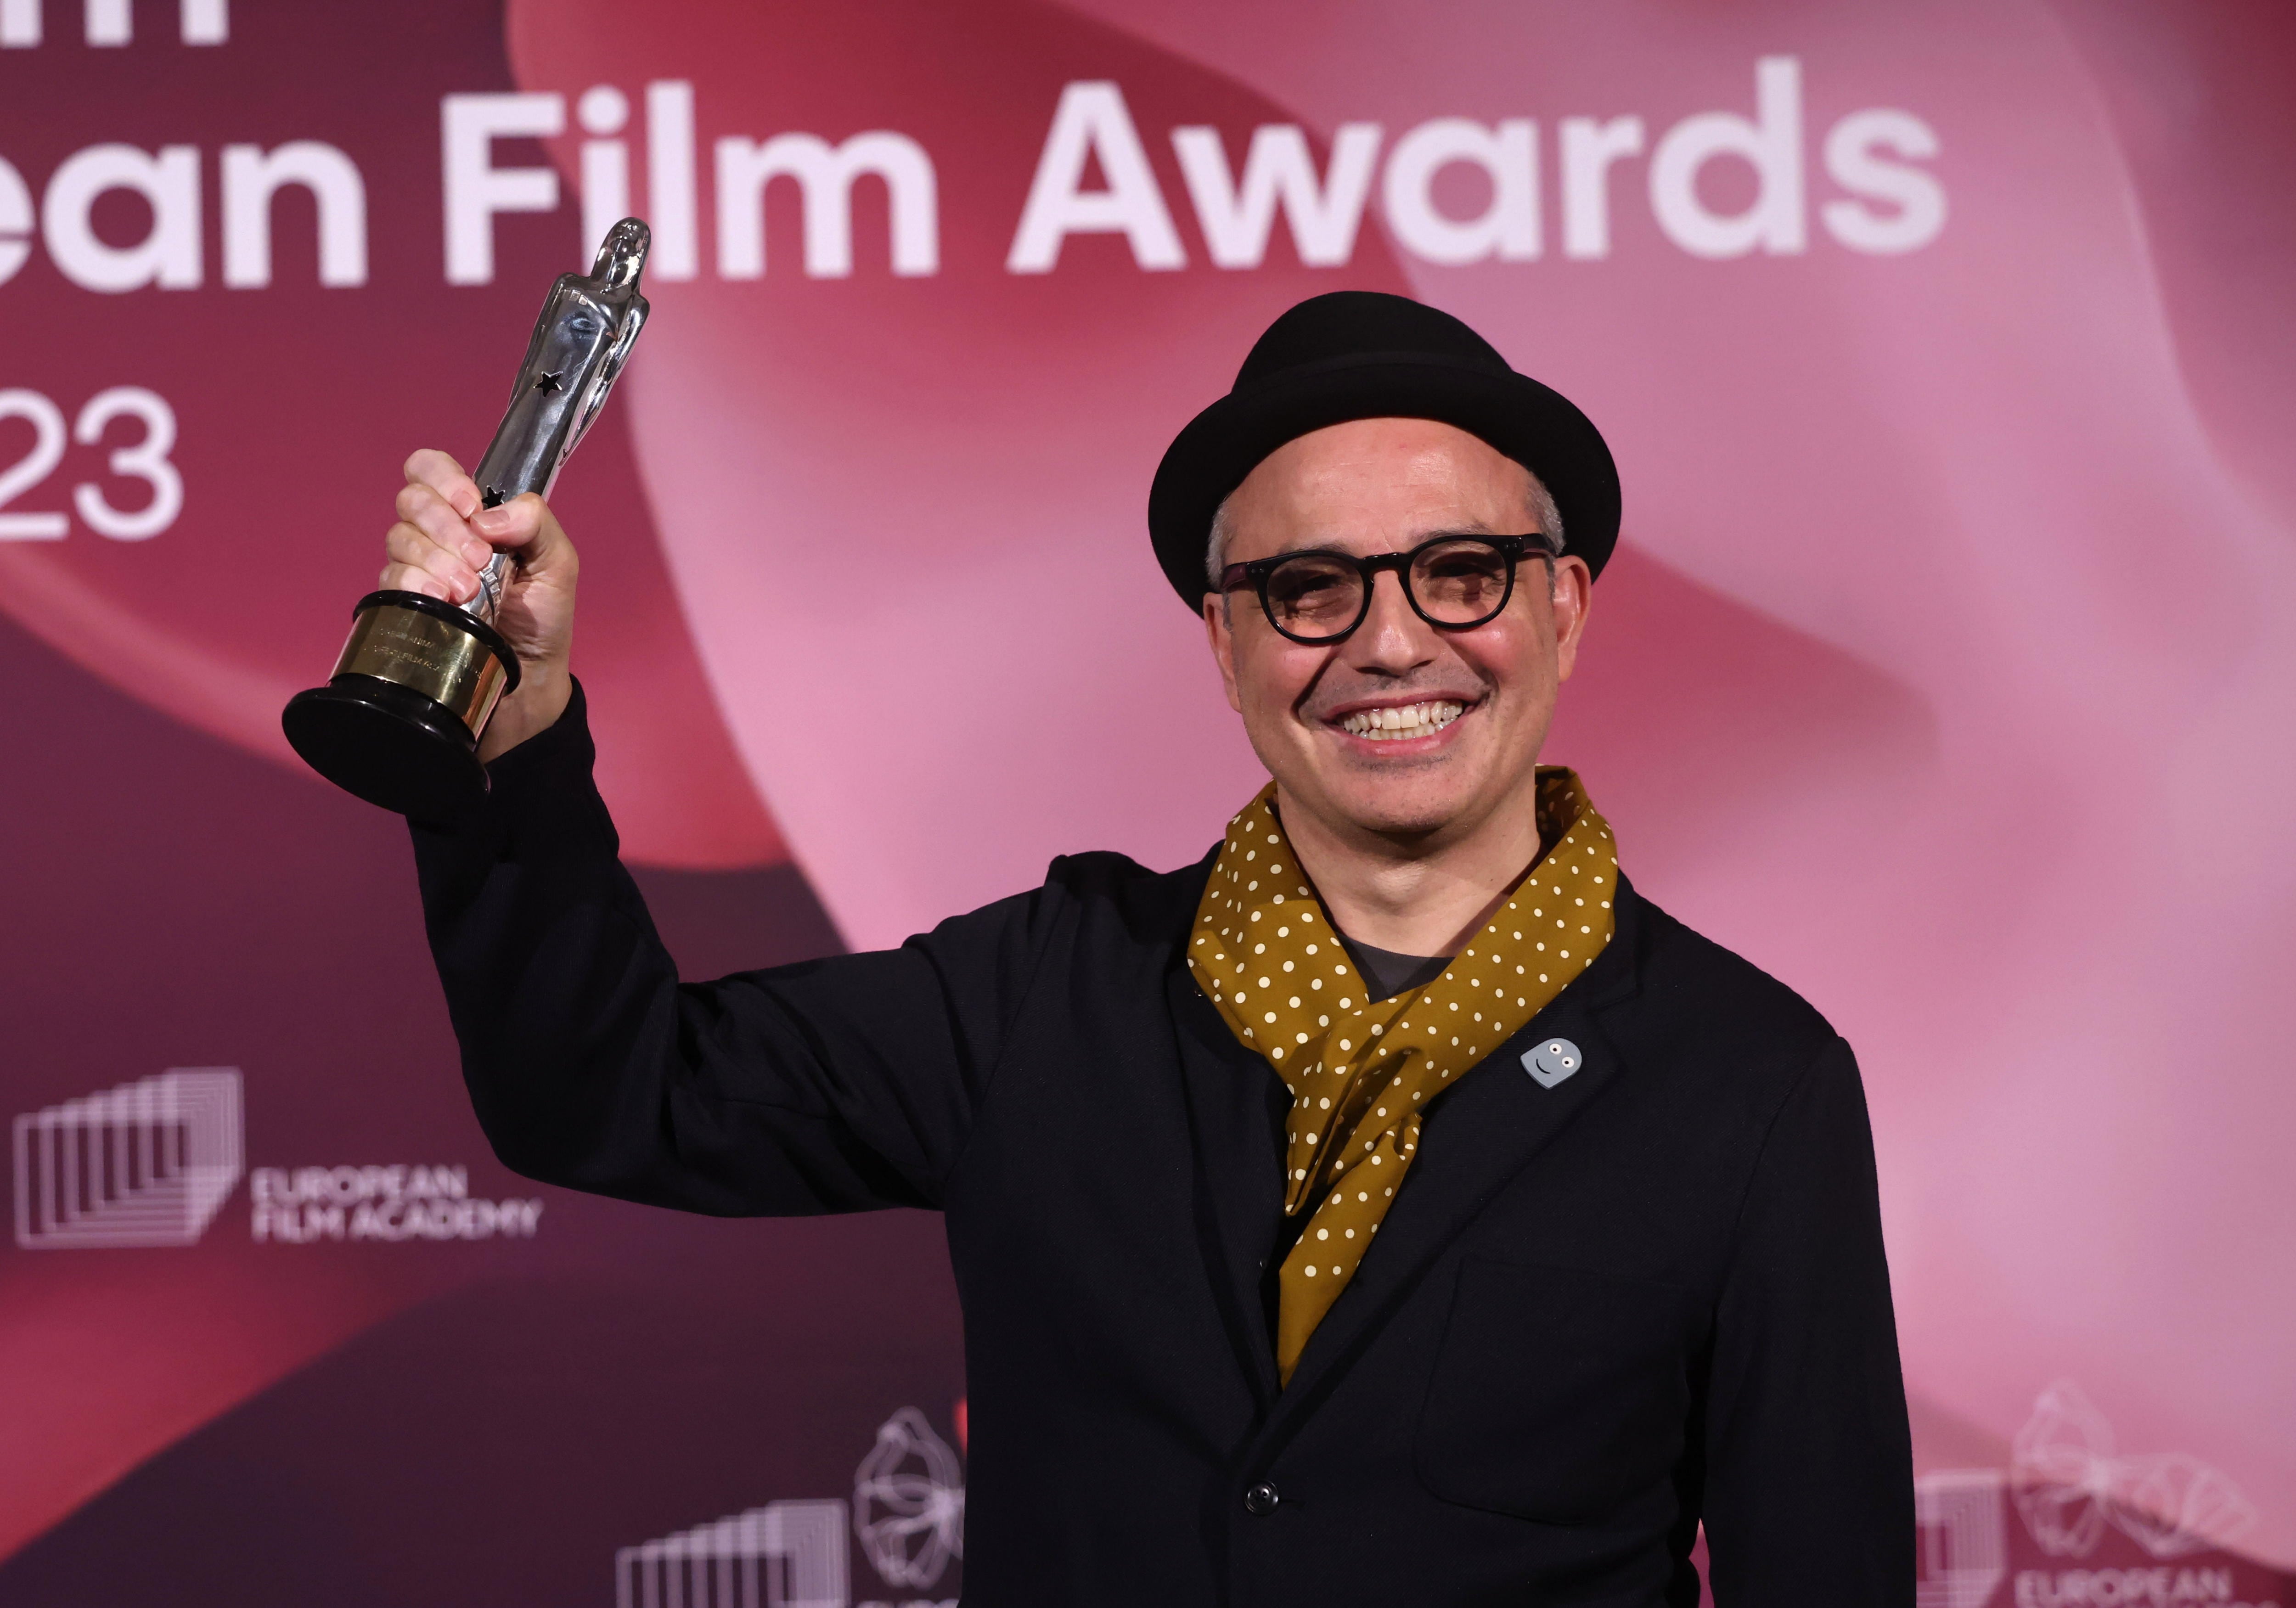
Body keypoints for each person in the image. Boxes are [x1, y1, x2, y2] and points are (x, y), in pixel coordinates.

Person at [381, 291, 1913, 1605]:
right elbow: (609, 1091)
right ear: (1226, 644)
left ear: (1566, 608)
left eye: (1462, 572)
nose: (1390, 643)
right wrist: (512, 744)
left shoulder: (1750, 1085)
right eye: (1308, 589)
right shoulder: (1047, 989)